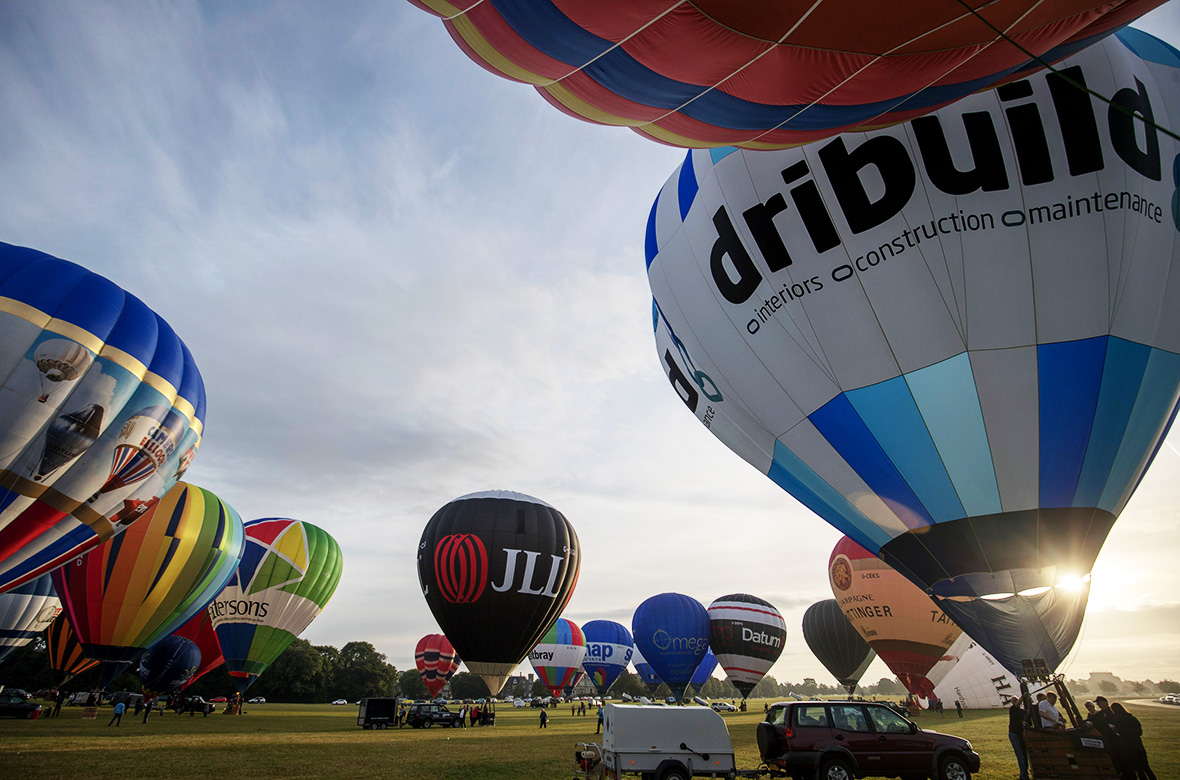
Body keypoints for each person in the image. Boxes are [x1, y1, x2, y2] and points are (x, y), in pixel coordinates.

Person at [1109, 702, 1156, 780]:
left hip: (1128, 746)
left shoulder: (1117, 719)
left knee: (1137, 768)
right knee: (1146, 767)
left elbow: (1121, 731)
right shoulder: (1131, 717)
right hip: (1138, 744)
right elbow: (1140, 732)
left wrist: (1115, 729)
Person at [1007, 697, 1030, 780]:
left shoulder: (1022, 711)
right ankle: (1024, 775)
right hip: (1014, 734)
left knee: (1024, 755)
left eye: (1015, 700)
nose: (1015, 702)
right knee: (1020, 755)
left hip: (1021, 734)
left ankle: (1023, 774)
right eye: (1013, 701)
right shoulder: (1012, 709)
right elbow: (1017, 705)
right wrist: (1023, 697)